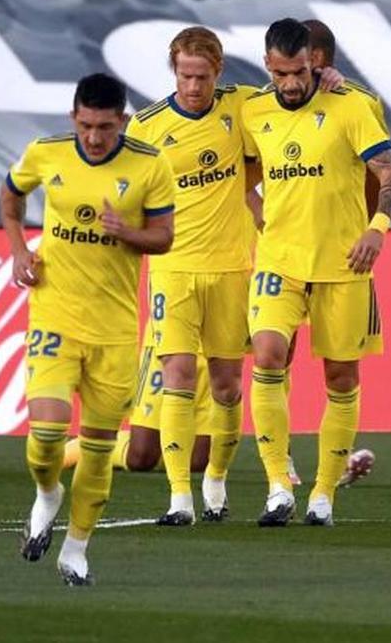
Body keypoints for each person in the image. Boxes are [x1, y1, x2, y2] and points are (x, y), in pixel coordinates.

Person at [1, 73, 175, 585]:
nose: (94, 137)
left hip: (116, 329)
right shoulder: (46, 153)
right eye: (85, 126)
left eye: (103, 127)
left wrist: (128, 232)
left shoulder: (149, 164)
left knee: (99, 450)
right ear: (73, 118)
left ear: (122, 120)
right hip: (55, 313)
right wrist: (17, 250)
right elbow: (10, 198)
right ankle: (48, 492)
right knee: (47, 436)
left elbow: (164, 238)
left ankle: (76, 549)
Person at [242, 18, 391, 527]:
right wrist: (255, 206)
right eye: (280, 74)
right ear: (268, 67)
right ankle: (277, 487)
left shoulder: (350, 106)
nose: (290, 83)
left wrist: (377, 229)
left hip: (343, 262)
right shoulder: (253, 110)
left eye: (298, 71)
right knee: (267, 356)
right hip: (279, 261)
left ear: (315, 63)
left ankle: (324, 494)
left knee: (340, 376)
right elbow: (247, 169)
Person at [122, 26, 261, 524]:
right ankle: (179, 498)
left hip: (229, 267)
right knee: (176, 375)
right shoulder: (147, 126)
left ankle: (215, 483)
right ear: (173, 71)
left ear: (218, 72)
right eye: (185, 76)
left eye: (202, 76)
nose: (194, 87)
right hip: (173, 270)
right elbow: (124, 192)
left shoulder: (241, 107)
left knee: (226, 385)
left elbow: (290, 114)